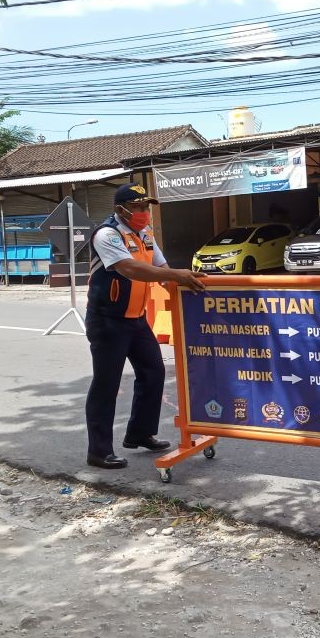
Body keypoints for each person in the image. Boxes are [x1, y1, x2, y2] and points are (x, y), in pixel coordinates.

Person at [84, 184, 205, 469]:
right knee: (106, 383)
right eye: (137, 208)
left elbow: (160, 268)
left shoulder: (145, 235)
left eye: (146, 207)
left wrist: (180, 281)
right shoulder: (107, 234)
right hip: (107, 320)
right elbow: (130, 268)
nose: (143, 213)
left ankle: (140, 433)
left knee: (153, 372)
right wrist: (174, 274)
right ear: (120, 210)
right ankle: (99, 451)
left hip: (136, 318)